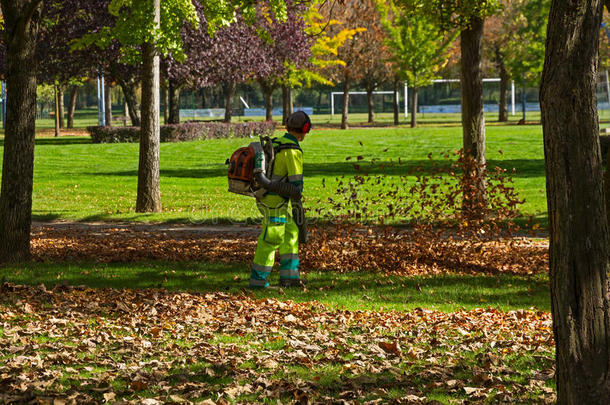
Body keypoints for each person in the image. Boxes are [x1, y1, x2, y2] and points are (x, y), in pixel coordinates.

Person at [249, 111, 311, 289]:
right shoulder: (292, 151)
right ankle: (258, 282)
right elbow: (296, 186)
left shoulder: (277, 142)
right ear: (305, 129)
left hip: (267, 197)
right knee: (272, 238)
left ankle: (289, 278)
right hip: (275, 202)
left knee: (291, 232)